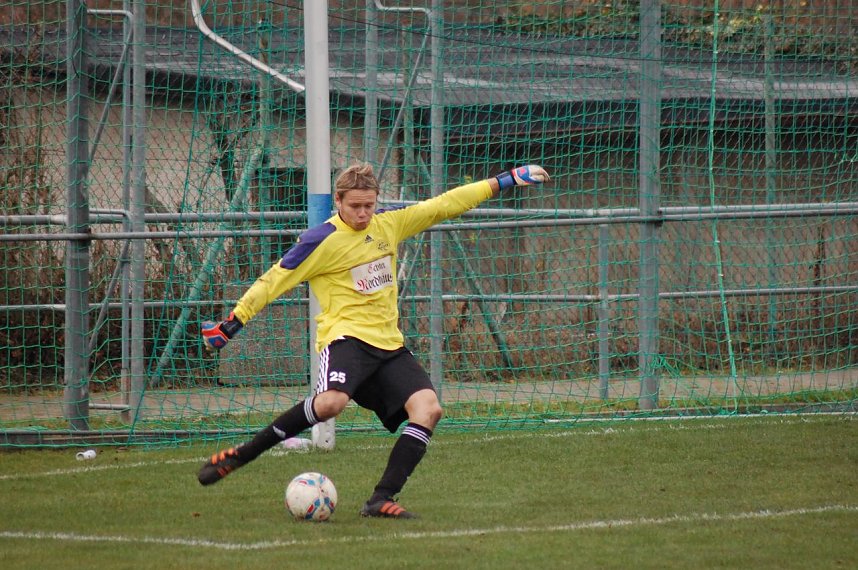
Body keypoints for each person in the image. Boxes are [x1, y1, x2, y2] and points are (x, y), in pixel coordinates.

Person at [198, 162, 550, 519]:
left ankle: (381, 499)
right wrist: (232, 323)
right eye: (355, 206)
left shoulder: (388, 224)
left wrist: (504, 181)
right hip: (345, 339)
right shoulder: (320, 240)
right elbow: (273, 280)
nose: (364, 213)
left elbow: (444, 204)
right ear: (338, 200)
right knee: (331, 404)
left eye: (370, 205)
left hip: (389, 346)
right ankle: (245, 454)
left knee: (429, 410)